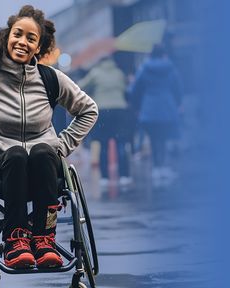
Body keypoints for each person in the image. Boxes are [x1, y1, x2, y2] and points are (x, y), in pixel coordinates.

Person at [0, 5, 98, 269]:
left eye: (31, 38)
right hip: (1, 163)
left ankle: (44, 238)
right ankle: (16, 240)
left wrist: (63, 145)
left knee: (43, 151)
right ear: (8, 36)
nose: (22, 42)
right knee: (16, 154)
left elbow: (89, 110)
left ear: (38, 47)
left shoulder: (51, 79)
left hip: (44, 164)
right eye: (18, 34)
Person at [128, 44, 182, 187]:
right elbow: (178, 87)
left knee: (153, 138)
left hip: (149, 108)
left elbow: (135, 90)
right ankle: (162, 167)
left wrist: (137, 107)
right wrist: (177, 103)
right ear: (164, 54)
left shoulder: (144, 69)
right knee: (163, 137)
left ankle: (156, 168)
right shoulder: (170, 68)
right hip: (167, 107)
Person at [78, 57, 134, 189]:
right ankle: (124, 176)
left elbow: (80, 87)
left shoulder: (95, 73)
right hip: (120, 110)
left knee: (103, 144)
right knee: (121, 143)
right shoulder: (119, 73)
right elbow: (125, 88)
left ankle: (104, 177)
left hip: (102, 111)